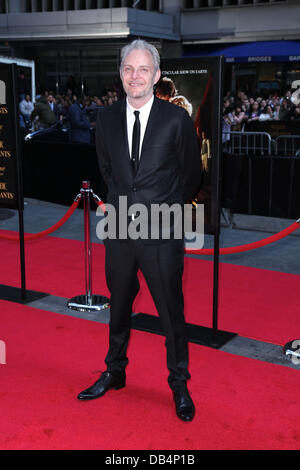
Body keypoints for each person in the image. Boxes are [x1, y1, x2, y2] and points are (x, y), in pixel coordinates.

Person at [77, 39, 202, 422]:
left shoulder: (175, 119)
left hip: (162, 230)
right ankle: (115, 371)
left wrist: (162, 210)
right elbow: (109, 171)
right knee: (119, 305)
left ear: (157, 75)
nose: (135, 76)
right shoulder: (106, 118)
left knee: (170, 311)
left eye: (143, 69)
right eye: (129, 69)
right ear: (120, 74)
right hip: (118, 228)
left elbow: (192, 175)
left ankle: (179, 383)